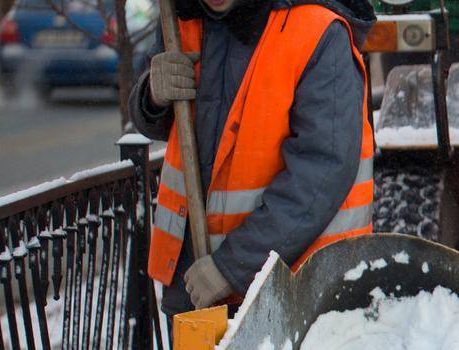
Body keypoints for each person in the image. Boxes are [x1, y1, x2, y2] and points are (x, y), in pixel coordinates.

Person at [129, 0, 377, 315]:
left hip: (297, 295)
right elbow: (173, 125)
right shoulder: (183, 20)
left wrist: (233, 266)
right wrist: (151, 96)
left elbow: (322, 170)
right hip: (196, 287)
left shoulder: (316, 31)